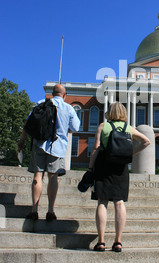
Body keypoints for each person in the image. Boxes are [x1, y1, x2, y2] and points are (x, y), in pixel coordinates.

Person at [89, 102, 150, 253]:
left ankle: (101, 241)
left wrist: (91, 168)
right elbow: (146, 141)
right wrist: (131, 153)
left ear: (109, 112)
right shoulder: (128, 128)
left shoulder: (103, 126)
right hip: (121, 167)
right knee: (119, 202)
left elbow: (96, 148)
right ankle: (118, 241)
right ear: (124, 113)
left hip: (103, 164)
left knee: (102, 202)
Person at [18, 84, 80, 222]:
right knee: (53, 178)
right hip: (57, 146)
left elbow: (28, 123)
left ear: (52, 94)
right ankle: (50, 210)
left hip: (39, 143)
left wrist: (22, 140)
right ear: (64, 95)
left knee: (37, 175)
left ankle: (34, 210)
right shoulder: (68, 108)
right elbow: (75, 127)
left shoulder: (41, 103)